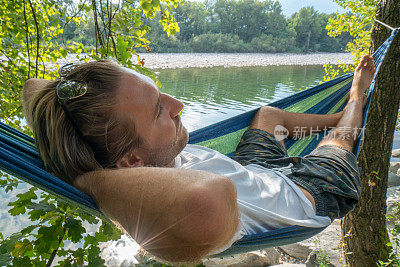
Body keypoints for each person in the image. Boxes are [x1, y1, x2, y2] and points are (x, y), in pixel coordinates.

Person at [23, 55, 375, 263]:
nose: (178, 104)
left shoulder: (144, 155)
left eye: (160, 91)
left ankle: (336, 117)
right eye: (159, 110)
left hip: (255, 171)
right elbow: (205, 201)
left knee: (269, 116)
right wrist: (82, 178)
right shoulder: (166, 210)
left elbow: (33, 88)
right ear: (130, 163)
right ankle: (354, 106)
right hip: (310, 193)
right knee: (341, 141)